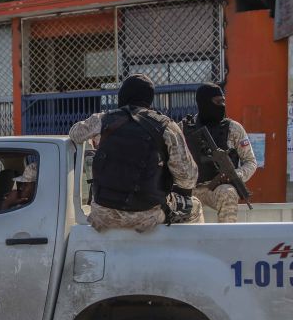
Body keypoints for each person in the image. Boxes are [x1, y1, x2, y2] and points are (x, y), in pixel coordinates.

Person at [70, 73, 201, 233]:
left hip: (103, 214)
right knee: (194, 205)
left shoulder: (102, 120)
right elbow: (188, 179)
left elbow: (75, 133)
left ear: (122, 95)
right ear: (149, 98)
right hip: (146, 215)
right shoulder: (167, 127)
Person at [180, 83, 258, 223]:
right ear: (203, 102)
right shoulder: (184, 128)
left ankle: (226, 240)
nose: (222, 105)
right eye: (217, 102)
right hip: (190, 189)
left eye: (223, 101)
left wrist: (235, 175)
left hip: (216, 189)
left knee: (229, 193)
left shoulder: (233, 128)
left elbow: (250, 162)